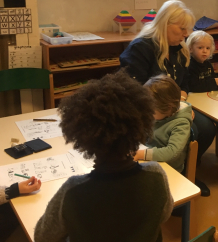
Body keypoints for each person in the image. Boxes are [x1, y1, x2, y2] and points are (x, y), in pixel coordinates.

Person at [34, 71, 173, 242]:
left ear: (82, 138)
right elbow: (164, 215)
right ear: (141, 126)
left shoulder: (73, 190)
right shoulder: (156, 175)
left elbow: (42, 236)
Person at [119, 0, 215, 196]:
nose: (186, 35)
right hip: (149, 111)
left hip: (172, 107)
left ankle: (187, 172)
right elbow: (133, 90)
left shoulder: (178, 49)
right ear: (165, 23)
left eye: (187, 30)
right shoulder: (141, 48)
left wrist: (181, 96)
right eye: (182, 29)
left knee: (207, 128)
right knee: (191, 131)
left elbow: (184, 81)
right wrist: (172, 106)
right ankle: (167, 175)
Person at [186, 31, 218, 164]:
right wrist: (214, 82)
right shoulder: (189, 65)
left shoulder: (207, 65)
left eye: (208, 48)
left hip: (208, 101)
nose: (204, 51)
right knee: (208, 128)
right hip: (195, 102)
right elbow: (194, 86)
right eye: (200, 48)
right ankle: (195, 158)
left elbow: (210, 82)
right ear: (190, 48)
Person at [133, 75, 193, 173]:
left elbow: (172, 152)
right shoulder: (159, 113)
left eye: (151, 110)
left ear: (169, 108)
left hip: (170, 169)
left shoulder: (181, 123)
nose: (147, 112)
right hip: (149, 159)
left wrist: (141, 154)